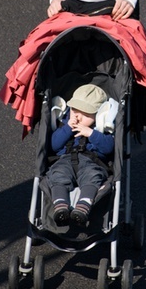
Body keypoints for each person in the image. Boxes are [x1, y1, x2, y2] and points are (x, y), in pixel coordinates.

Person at [46, 84, 114, 227]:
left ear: (97, 115)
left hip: (91, 162)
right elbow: (53, 145)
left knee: (93, 177)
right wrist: (67, 129)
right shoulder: (64, 124)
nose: (78, 116)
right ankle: (61, 206)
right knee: (58, 175)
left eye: (86, 114)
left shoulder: (101, 129)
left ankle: (83, 206)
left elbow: (109, 148)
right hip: (65, 160)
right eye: (75, 110)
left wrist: (91, 133)